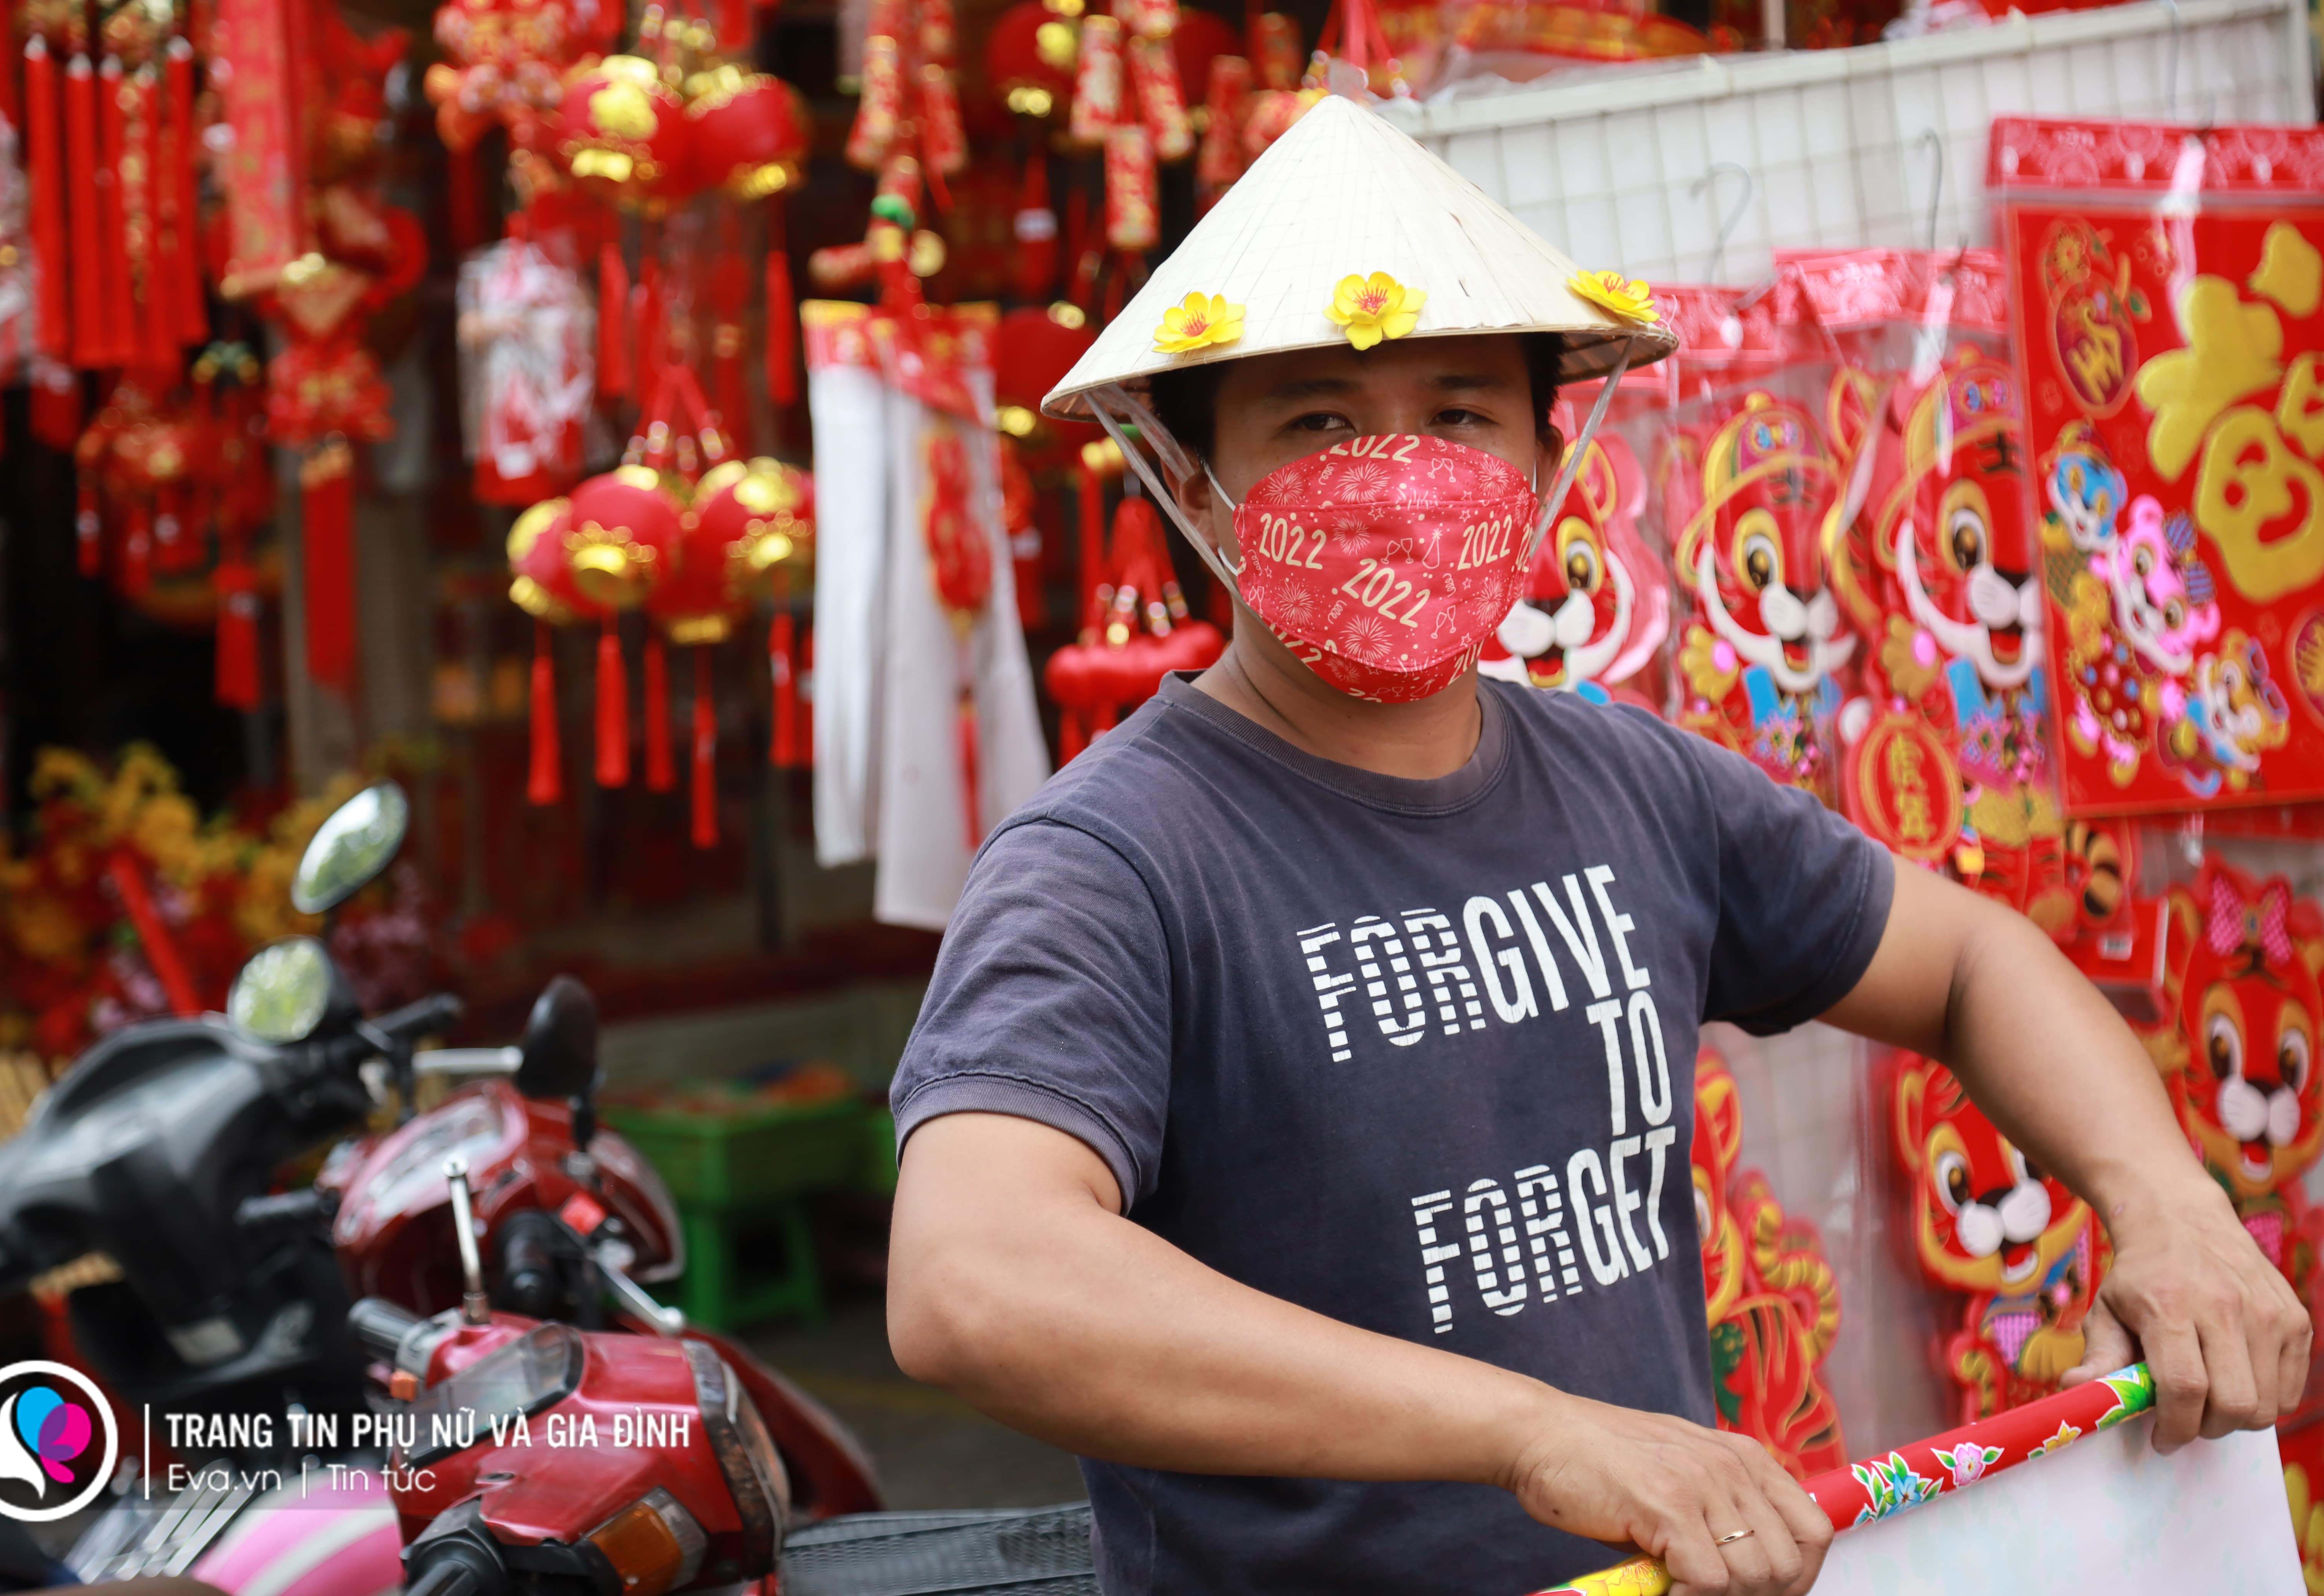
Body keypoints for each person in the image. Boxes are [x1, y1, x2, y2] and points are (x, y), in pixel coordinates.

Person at [882, 97, 2307, 1596]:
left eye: (1459, 413)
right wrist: (1527, 1432)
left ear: (1547, 467)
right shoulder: (1113, 858)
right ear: (1189, 484)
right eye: (1315, 422)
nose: (1401, 469)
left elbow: (1970, 958)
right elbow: (975, 1281)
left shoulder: (1631, 783)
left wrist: (2174, 1208)